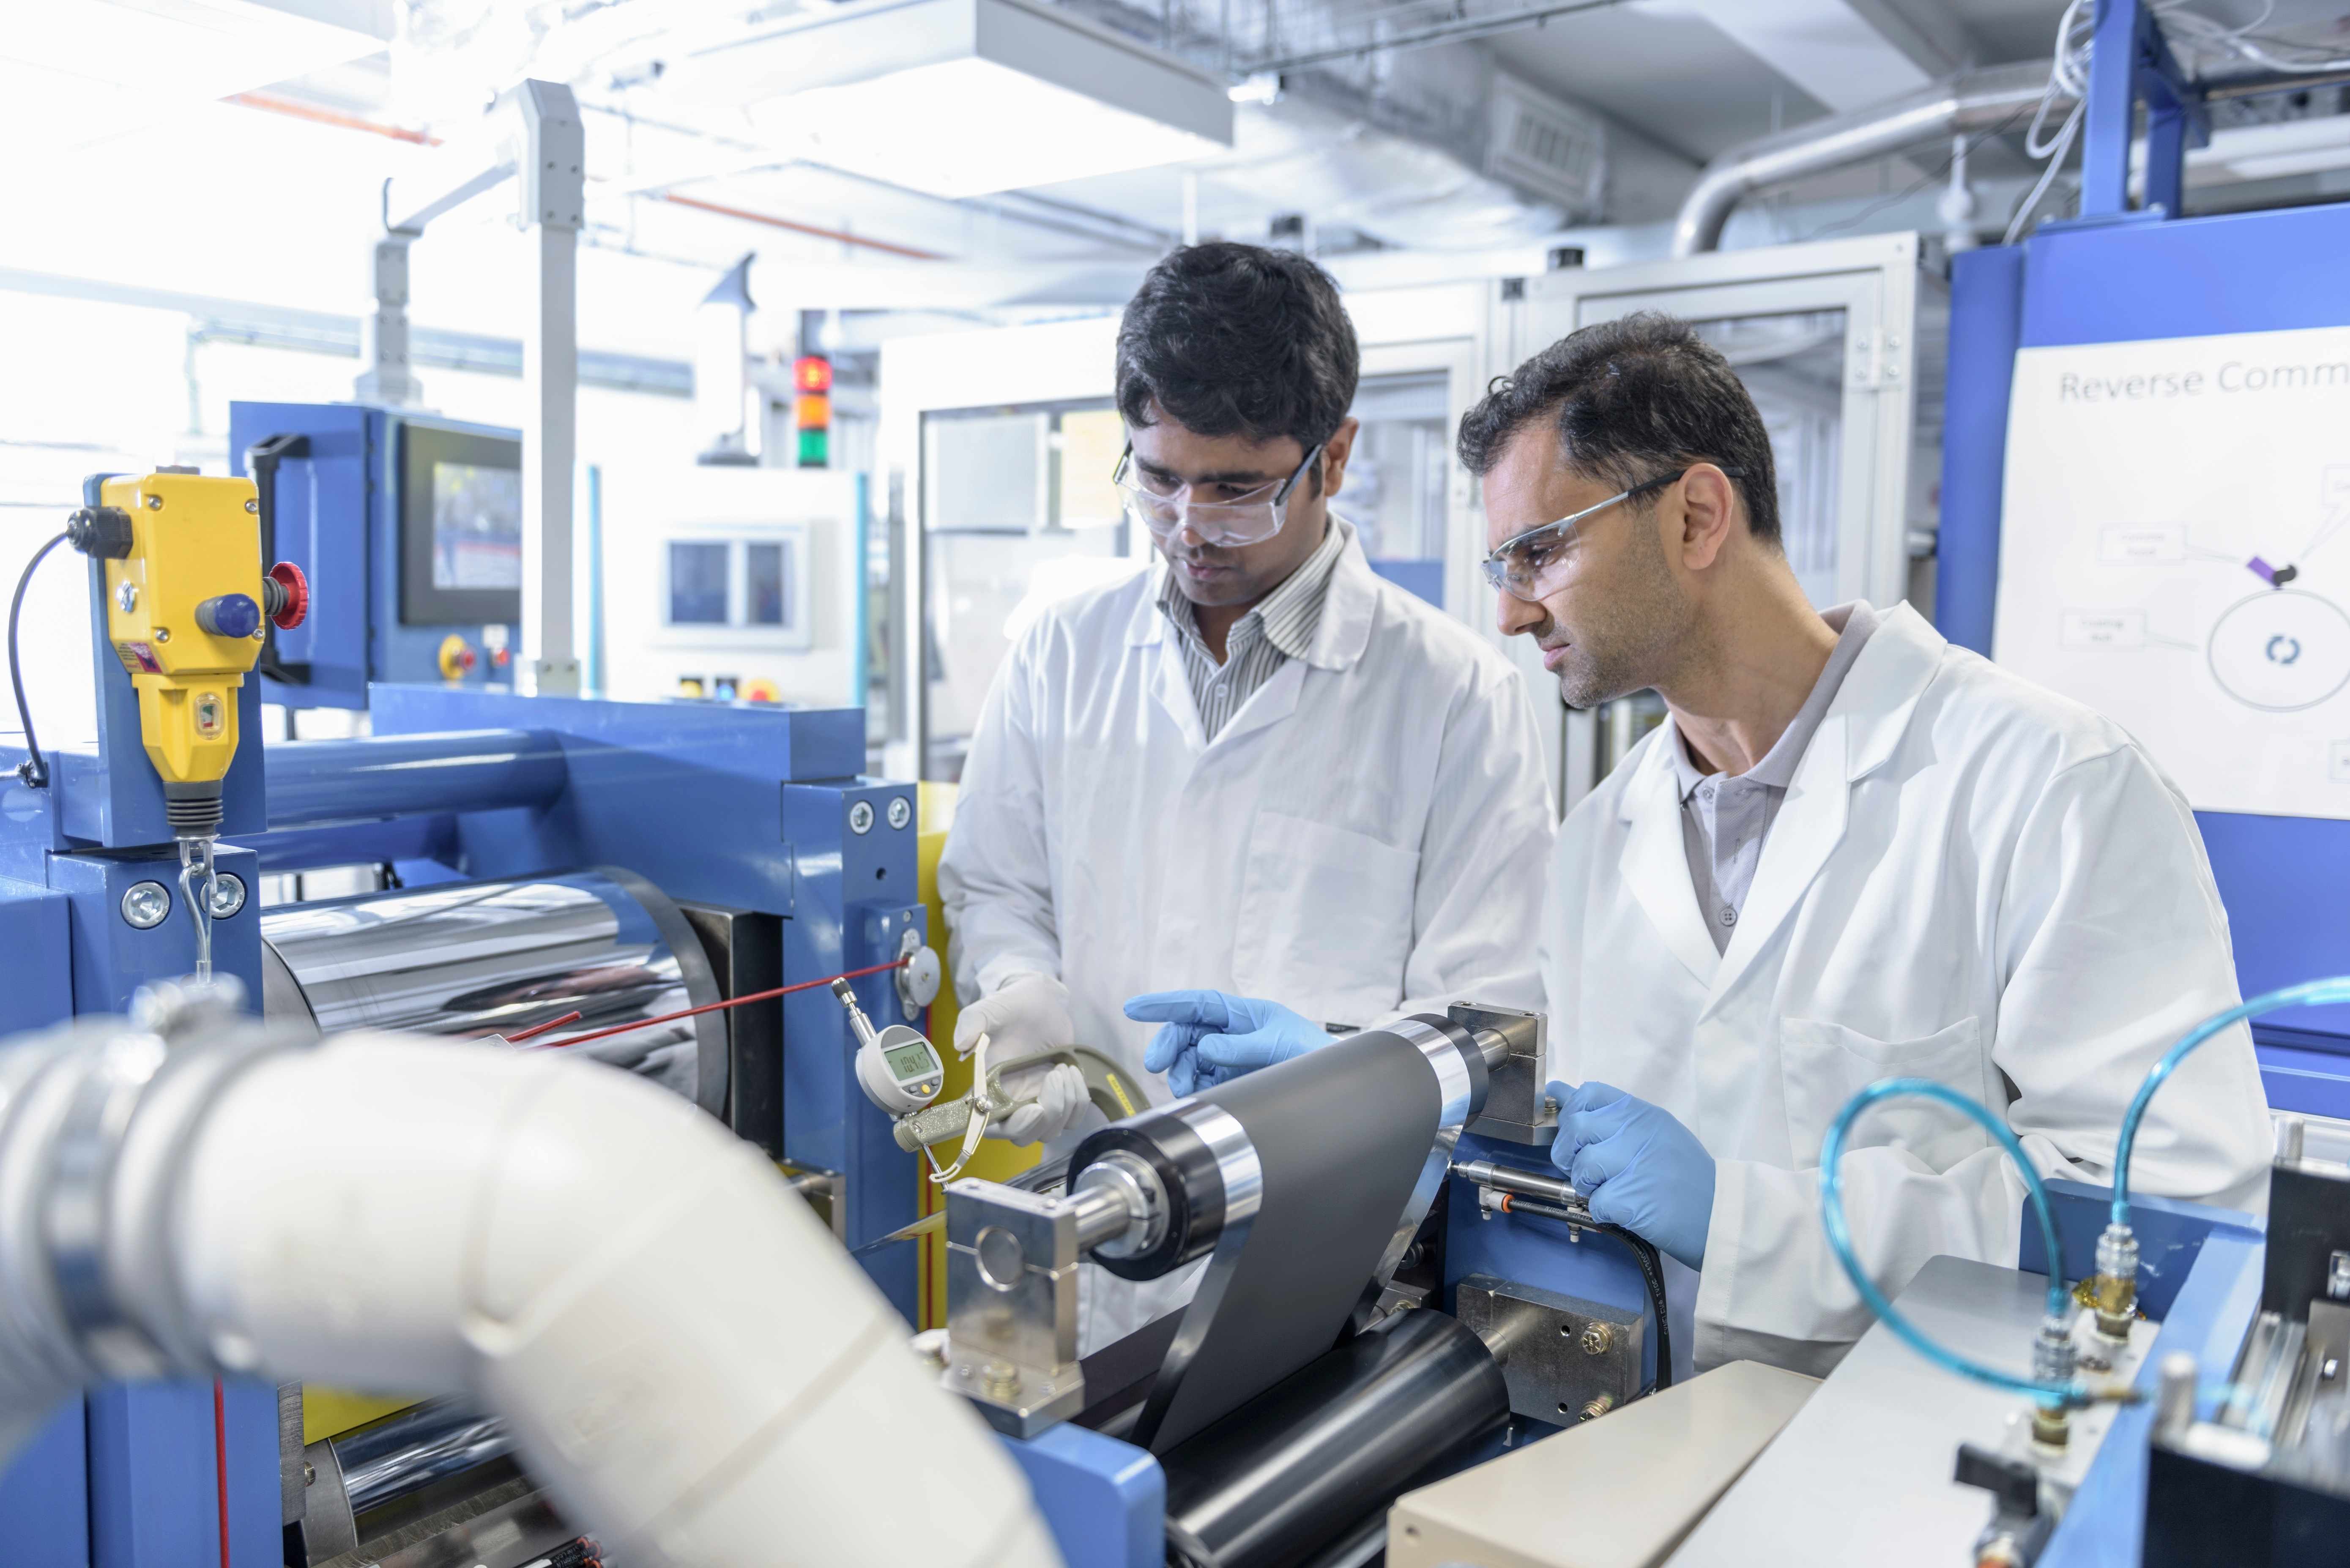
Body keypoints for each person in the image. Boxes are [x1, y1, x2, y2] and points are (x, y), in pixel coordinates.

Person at [1140, 311, 2273, 1377]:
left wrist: (1753, 1221)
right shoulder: (1601, 841)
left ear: (1694, 516)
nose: (1511, 612)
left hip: (1912, 1472)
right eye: (1503, 568)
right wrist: (1359, 1088)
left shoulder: (2046, 786)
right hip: (1643, 1450)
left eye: (1538, 552)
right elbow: (1559, 1141)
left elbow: (2173, 1213)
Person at [936, 243, 1555, 1349]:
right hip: (1095, 1233)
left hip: (1325, 1266)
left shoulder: (1459, 697)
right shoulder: (1061, 649)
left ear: (1337, 454)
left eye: (1236, 489)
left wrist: (1337, 1071)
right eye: (1159, 478)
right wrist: (1023, 983)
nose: (1189, 526)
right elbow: (996, 878)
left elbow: (1489, 1023)